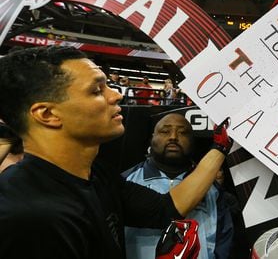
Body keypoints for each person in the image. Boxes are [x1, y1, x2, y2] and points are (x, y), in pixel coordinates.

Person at [0, 46, 233, 258]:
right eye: (96, 90)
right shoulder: (29, 217)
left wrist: (220, 147)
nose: (117, 95)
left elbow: (166, 208)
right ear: (47, 114)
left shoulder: (95, 175)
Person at [123, 113, 234, 259]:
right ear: (151, 139)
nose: (173, 137)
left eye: (182, 132)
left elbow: (224, 243)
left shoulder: (213, 191)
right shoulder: (126, 181)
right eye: (165, 131)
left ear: (193, 141)